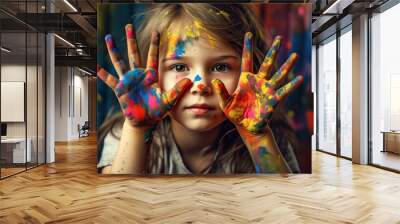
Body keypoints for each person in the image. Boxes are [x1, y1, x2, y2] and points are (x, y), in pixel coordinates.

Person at [97, 3, 303, 175]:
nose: (201, 85)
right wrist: (137, 131)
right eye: (179, 67)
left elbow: (284, 207)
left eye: (220, 67)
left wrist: (257, 137)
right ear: (151, 75)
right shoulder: (124, 135)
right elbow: (119, 205)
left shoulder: (271, 138)